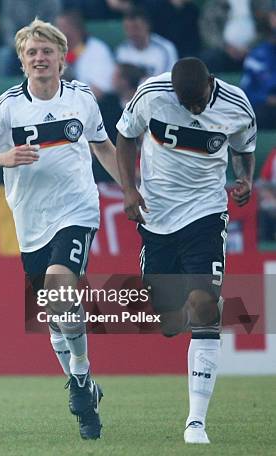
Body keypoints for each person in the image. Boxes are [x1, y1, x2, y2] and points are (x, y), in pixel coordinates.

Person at [0, 19, 121, 440]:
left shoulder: (82, 98)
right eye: (32, 53)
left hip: (77, 210)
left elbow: (102, 145)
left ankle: (81, 375)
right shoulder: (8, 106)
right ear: (22, 61)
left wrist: (133, 191)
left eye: (47, 51)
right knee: (53, 316)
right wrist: (3, 159)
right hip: (30, 221)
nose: (39, 59)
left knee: (59, 286)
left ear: (63, 58)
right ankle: (86, 394)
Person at [116, 57, 256, 444]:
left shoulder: (237, 104)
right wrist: (129, 188)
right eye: (185, 103)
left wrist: (245, 178)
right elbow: (125, 137)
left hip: (206, 213)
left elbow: (246, 147)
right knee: (168, 324)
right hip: (157, 217)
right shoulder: (152, 94)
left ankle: (196, 421)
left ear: (211, 83)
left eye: (197, 102)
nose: (192, 109)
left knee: (205, 304)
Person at [115, 8, 178, 77]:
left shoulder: (165, 48)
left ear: (147, 26)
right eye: (127, 28)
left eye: (136, 27)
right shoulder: (122, 49)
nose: (131, 33)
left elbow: (169, 79)